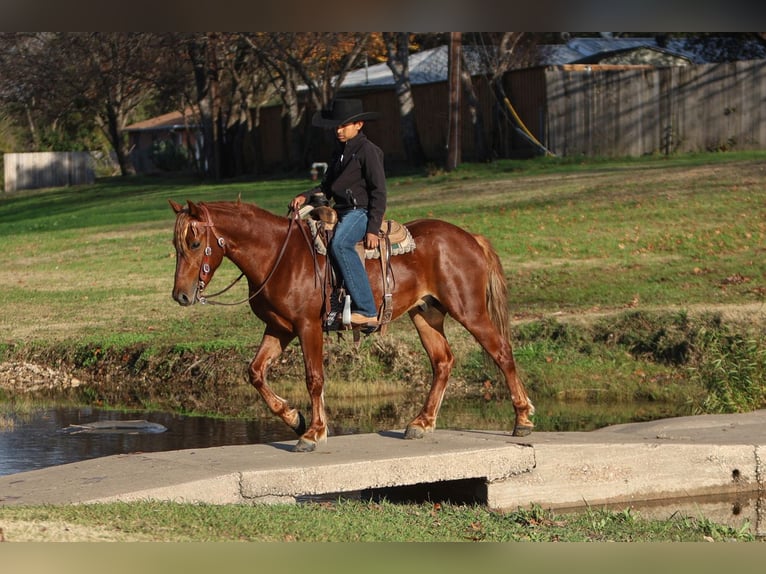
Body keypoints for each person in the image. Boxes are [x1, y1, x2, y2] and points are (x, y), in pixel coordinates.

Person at [290, 98, 387, 328]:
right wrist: (305, 196)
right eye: (337, 126)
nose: (339, 130)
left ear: (359, 125)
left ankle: (367, 309)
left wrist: (373, 228)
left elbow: (379, 192)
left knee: (341, 244)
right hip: (340, 211)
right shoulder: (340, 152)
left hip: (360, 212)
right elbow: (326, 186)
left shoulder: (368, 151)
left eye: (344, 125)